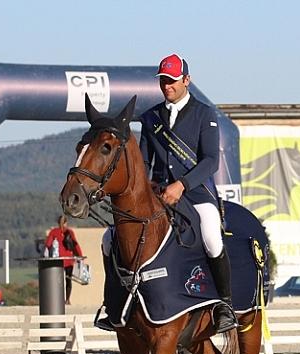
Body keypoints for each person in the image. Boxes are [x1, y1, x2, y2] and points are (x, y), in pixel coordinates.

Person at [99, 53, 236, 332]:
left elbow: (210, 161)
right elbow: (145, 163)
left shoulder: (204, 113)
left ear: (187, 80)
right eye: (163, 81)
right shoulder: (150, 118)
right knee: (108, 238)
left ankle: (224, 304)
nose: (167, 86)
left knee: (211, 234)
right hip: (157, 192)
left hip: (195, 192)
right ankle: (114, 303)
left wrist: (182, 184)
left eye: (172, 81)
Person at [44, 214, 83, 305]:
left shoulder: (54, 232)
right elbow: (75, 245)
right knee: (67, 280)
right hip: (68, 260)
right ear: (66, 222)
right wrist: (80, 256)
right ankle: (67, 299)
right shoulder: (69, 232)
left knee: (58, 281)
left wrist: (46, 255)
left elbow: (48, 244)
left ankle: (60, 299)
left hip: (58, 261)